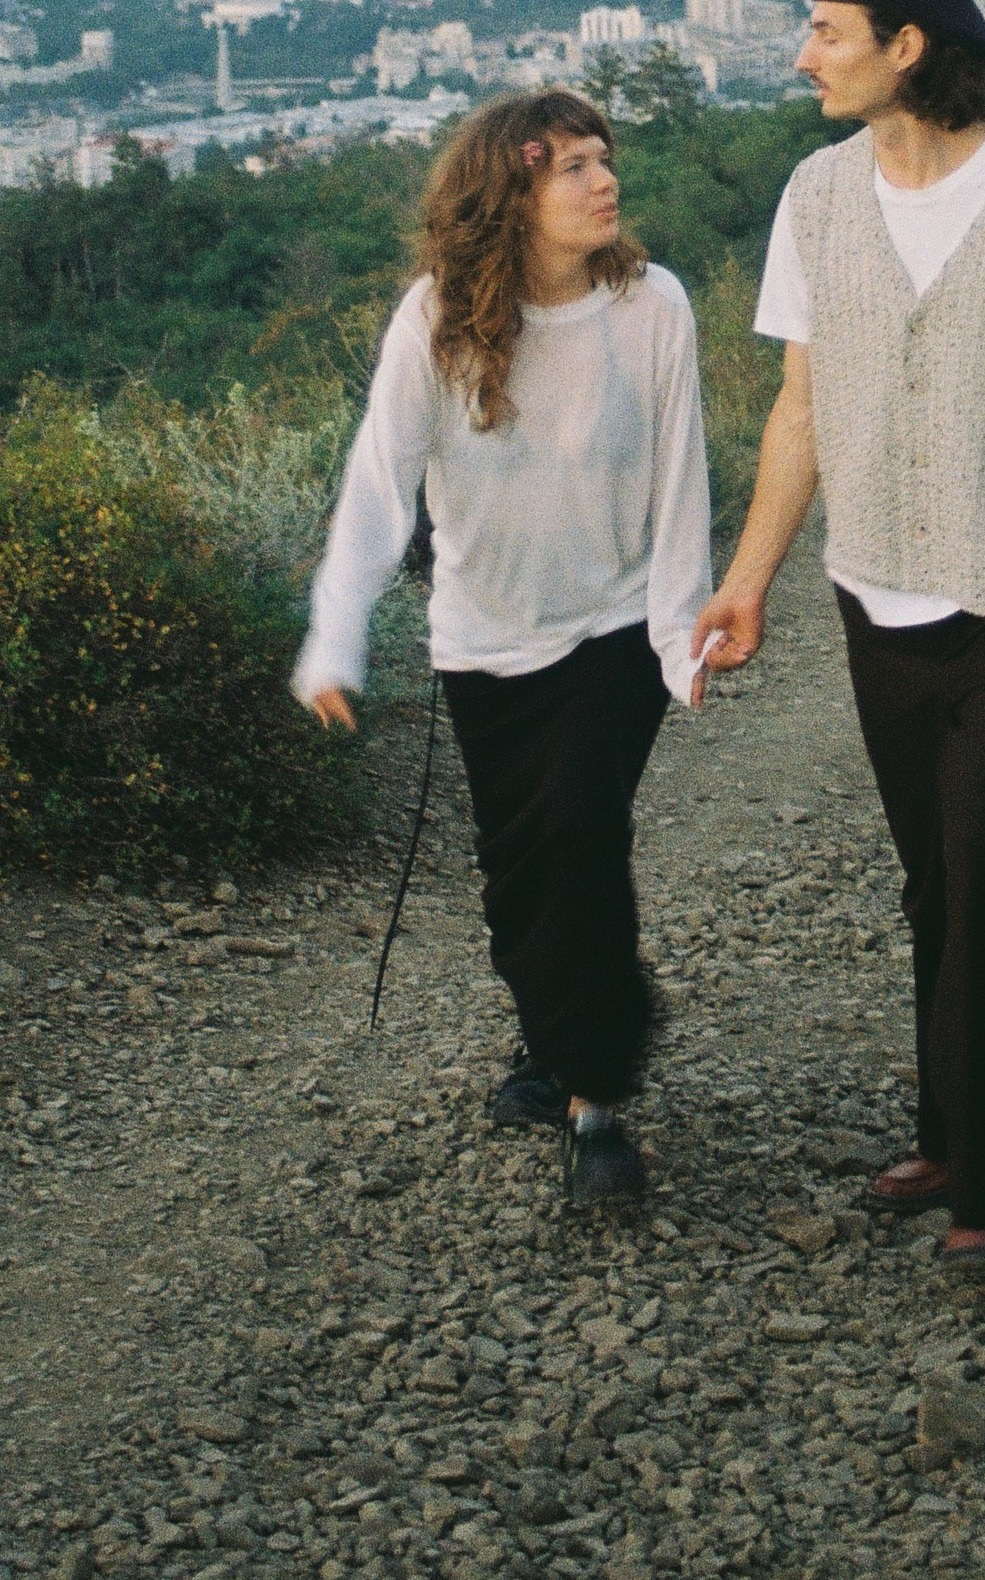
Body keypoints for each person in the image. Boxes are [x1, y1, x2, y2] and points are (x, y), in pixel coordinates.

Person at [695, 0, 985, 1280]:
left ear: (907, 45)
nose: (804, 54)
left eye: (827, 30)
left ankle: (982, 1193)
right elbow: (800, 411)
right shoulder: (817, 198)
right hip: (869, 595)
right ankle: (951, 1125)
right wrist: (749, 578)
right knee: (935, 880)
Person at [293, 88, 711, 1208]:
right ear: (507, 196)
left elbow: (683, 485)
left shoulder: (654, 307)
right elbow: (379, 488)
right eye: (568, 165)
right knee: (520, 869)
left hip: (616, 628)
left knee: (580, 831)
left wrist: (681, 635)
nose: (602, 179)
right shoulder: (438, 319)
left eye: (604, 156)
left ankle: (596, 1104)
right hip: (484, 642)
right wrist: (335, 638)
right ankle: (552, 1039)